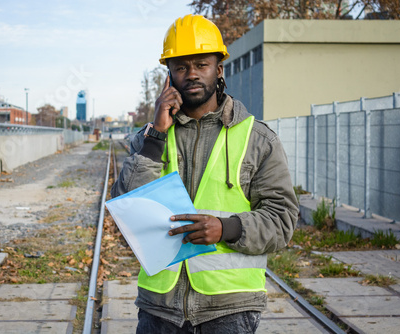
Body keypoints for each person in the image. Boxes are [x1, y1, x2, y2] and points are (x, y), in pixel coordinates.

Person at [111, 14, 298, 333]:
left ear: (219, 69)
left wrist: (227, 227)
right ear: (168, 75)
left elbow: (282, 220)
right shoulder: (150, 138)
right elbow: (124, 207)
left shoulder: (257, 139)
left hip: (230, 309)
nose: (192, 74)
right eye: (181, 67)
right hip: (159, 308)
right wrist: (156, 134)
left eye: (201, 64)